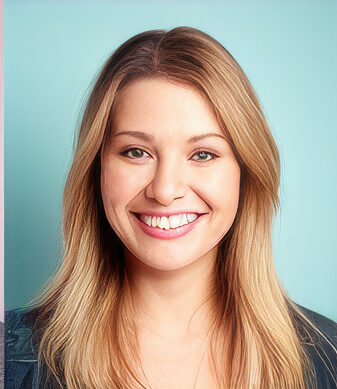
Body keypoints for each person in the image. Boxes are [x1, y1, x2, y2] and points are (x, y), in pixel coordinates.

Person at [5, 26, 337, 389]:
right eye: (136, 152)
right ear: (96, 169)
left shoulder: (329, 357)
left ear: (246, 173)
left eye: (203, 154)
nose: (165, 191)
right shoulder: (11, 361)